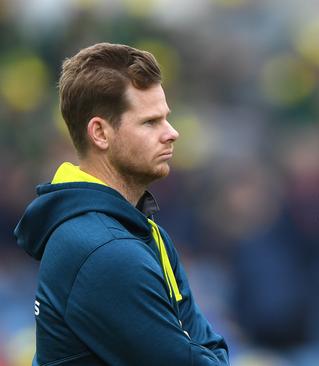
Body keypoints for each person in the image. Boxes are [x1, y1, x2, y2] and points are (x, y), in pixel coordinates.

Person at [14, 43, 229, 365]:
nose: (172, 133)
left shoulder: (135, 230)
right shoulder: (104, 251)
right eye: (150, 122)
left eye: (166, 118)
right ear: (100, 133)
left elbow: (209, 348)